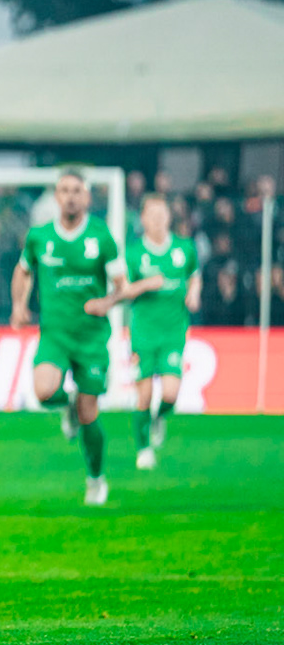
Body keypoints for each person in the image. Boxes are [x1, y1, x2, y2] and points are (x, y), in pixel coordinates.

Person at [11, 169, 125, 506]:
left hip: (91, 337)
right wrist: (19, 305)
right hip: (55, 335)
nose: (71, 196)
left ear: (87, 197)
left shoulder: (101, 237)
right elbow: (23, 270)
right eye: (64, 190)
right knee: (44, 392)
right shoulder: (39, 237)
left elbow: (122, 287)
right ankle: (67, 407)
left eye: (77, 190)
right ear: (56, 197)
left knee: (90, 413)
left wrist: (106, 302)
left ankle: (95, 478)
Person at [119, 194, 200, 470]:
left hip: (174, 331)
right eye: (151, 214)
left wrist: (194, 293)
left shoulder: (184, 248)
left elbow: (194, 274)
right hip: (143, 333)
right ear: (142, 219)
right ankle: (143, 449)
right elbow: (124, 290)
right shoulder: (133, 253)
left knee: (170, 394)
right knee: (143, 395)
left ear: (169, 215)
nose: (157, 218)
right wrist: (145, 284)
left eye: (161, 213)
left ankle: (159, 417)